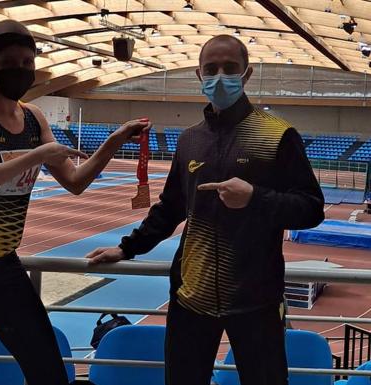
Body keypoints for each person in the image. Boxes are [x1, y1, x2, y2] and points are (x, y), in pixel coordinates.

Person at [0, 19, 151, 385]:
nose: (22, 70)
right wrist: (36, 154)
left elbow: (75, 181)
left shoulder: (33, 117)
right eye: (11, 62)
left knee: (47, 368)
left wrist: (116, 139)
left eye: (28, 62)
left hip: (2, 263)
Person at [86, 35, 325, 385]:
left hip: (255, 297)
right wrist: (127, 247)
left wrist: (255, 198)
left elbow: (311, 209)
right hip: (191, 294)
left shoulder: (277, 135)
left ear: (246, 74)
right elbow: (171, 208)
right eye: (211, 69)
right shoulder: (189, 140)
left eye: (230, 68)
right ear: (199, 75)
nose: (219, 76)